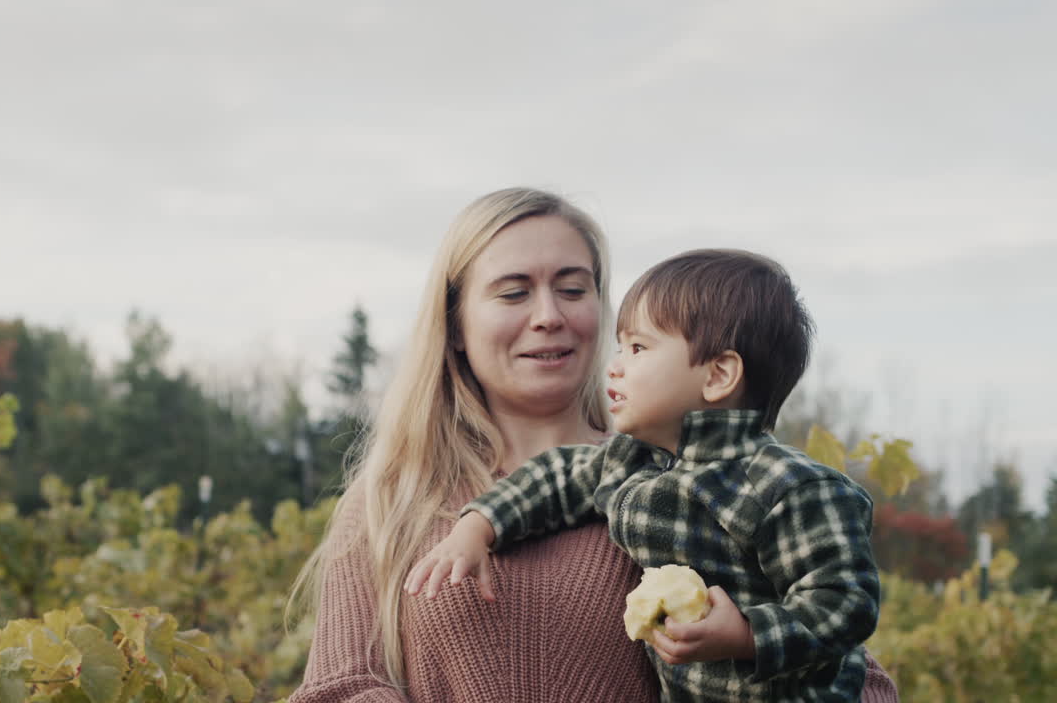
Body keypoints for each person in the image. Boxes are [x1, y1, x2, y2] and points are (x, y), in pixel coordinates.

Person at [289, 189, 898, 702]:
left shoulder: (675, 483)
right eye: (513, 292)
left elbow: (847, 665)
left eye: (573, 289)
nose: (549, 315)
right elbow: (342, 687)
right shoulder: (392, 500)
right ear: (455, 327)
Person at [407, 249, 880, 701]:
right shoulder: (635, 461)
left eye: (638, 348)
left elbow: (846, 602)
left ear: (718, 375)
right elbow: (557, 477)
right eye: (620, 348)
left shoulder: (789, 487)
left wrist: (747, 634)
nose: (614, 368)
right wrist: (477, 526)